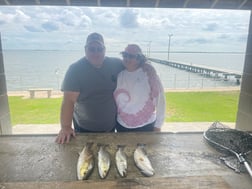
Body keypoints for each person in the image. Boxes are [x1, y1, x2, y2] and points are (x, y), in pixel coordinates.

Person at [55, 32, 123, 144]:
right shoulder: (75, 70)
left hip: (111, 128)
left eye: (99, 49)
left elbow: (133, 65)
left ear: (104, 49)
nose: (96, 52)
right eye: (92, 49)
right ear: (85, 49)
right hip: (83, 129)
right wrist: (66, 127)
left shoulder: (116, 64)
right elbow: (68, 101)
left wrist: (147, 67)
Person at [114, 44, 166, 132]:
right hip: (121, 126)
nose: (127, 58)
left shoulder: (150, 75)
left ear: (139, 59)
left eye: (131, 56)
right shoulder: (119, 75)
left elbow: (161, 102)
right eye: (125, 55)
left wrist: (158, 126)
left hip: (146, 126)